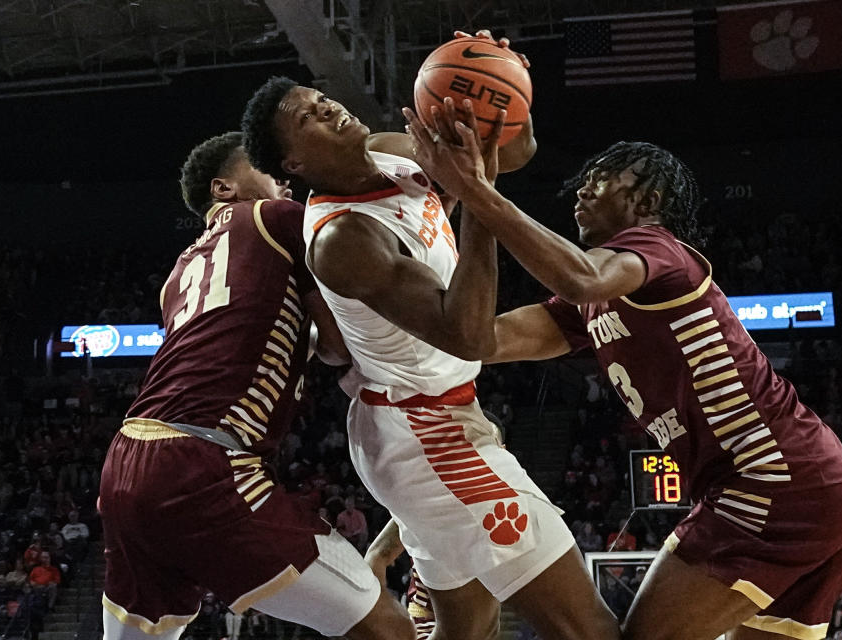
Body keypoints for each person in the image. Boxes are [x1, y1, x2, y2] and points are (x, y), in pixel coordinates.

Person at [406, 124, 842, 640]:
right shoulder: (586, 304)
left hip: (771, 482)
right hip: (819, 488)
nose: (582, 189)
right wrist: (384, 316)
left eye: (601, 180)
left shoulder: (658, 249)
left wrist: (478, 190)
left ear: (647, 200)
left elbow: (581, 275)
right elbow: (480, 341)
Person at [241, 34, 620, 640]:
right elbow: (467, 335)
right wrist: (476, 196)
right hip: (425, 432)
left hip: (413, 425)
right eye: (307, 117)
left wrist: (507, 89)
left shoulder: (390, 151)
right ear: (294, 165)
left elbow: (516, 150)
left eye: (319, 97)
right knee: (589, 630)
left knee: (468, 629)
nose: (327, 107)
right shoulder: (344, 240)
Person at [99, 132, 415, 640]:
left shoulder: (176, 277)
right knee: (388, 629)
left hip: (126, 461)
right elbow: (336, 347)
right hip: (204, 466)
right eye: (265, 168)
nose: (282, 178)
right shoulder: (276, 218)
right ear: (224, 188)